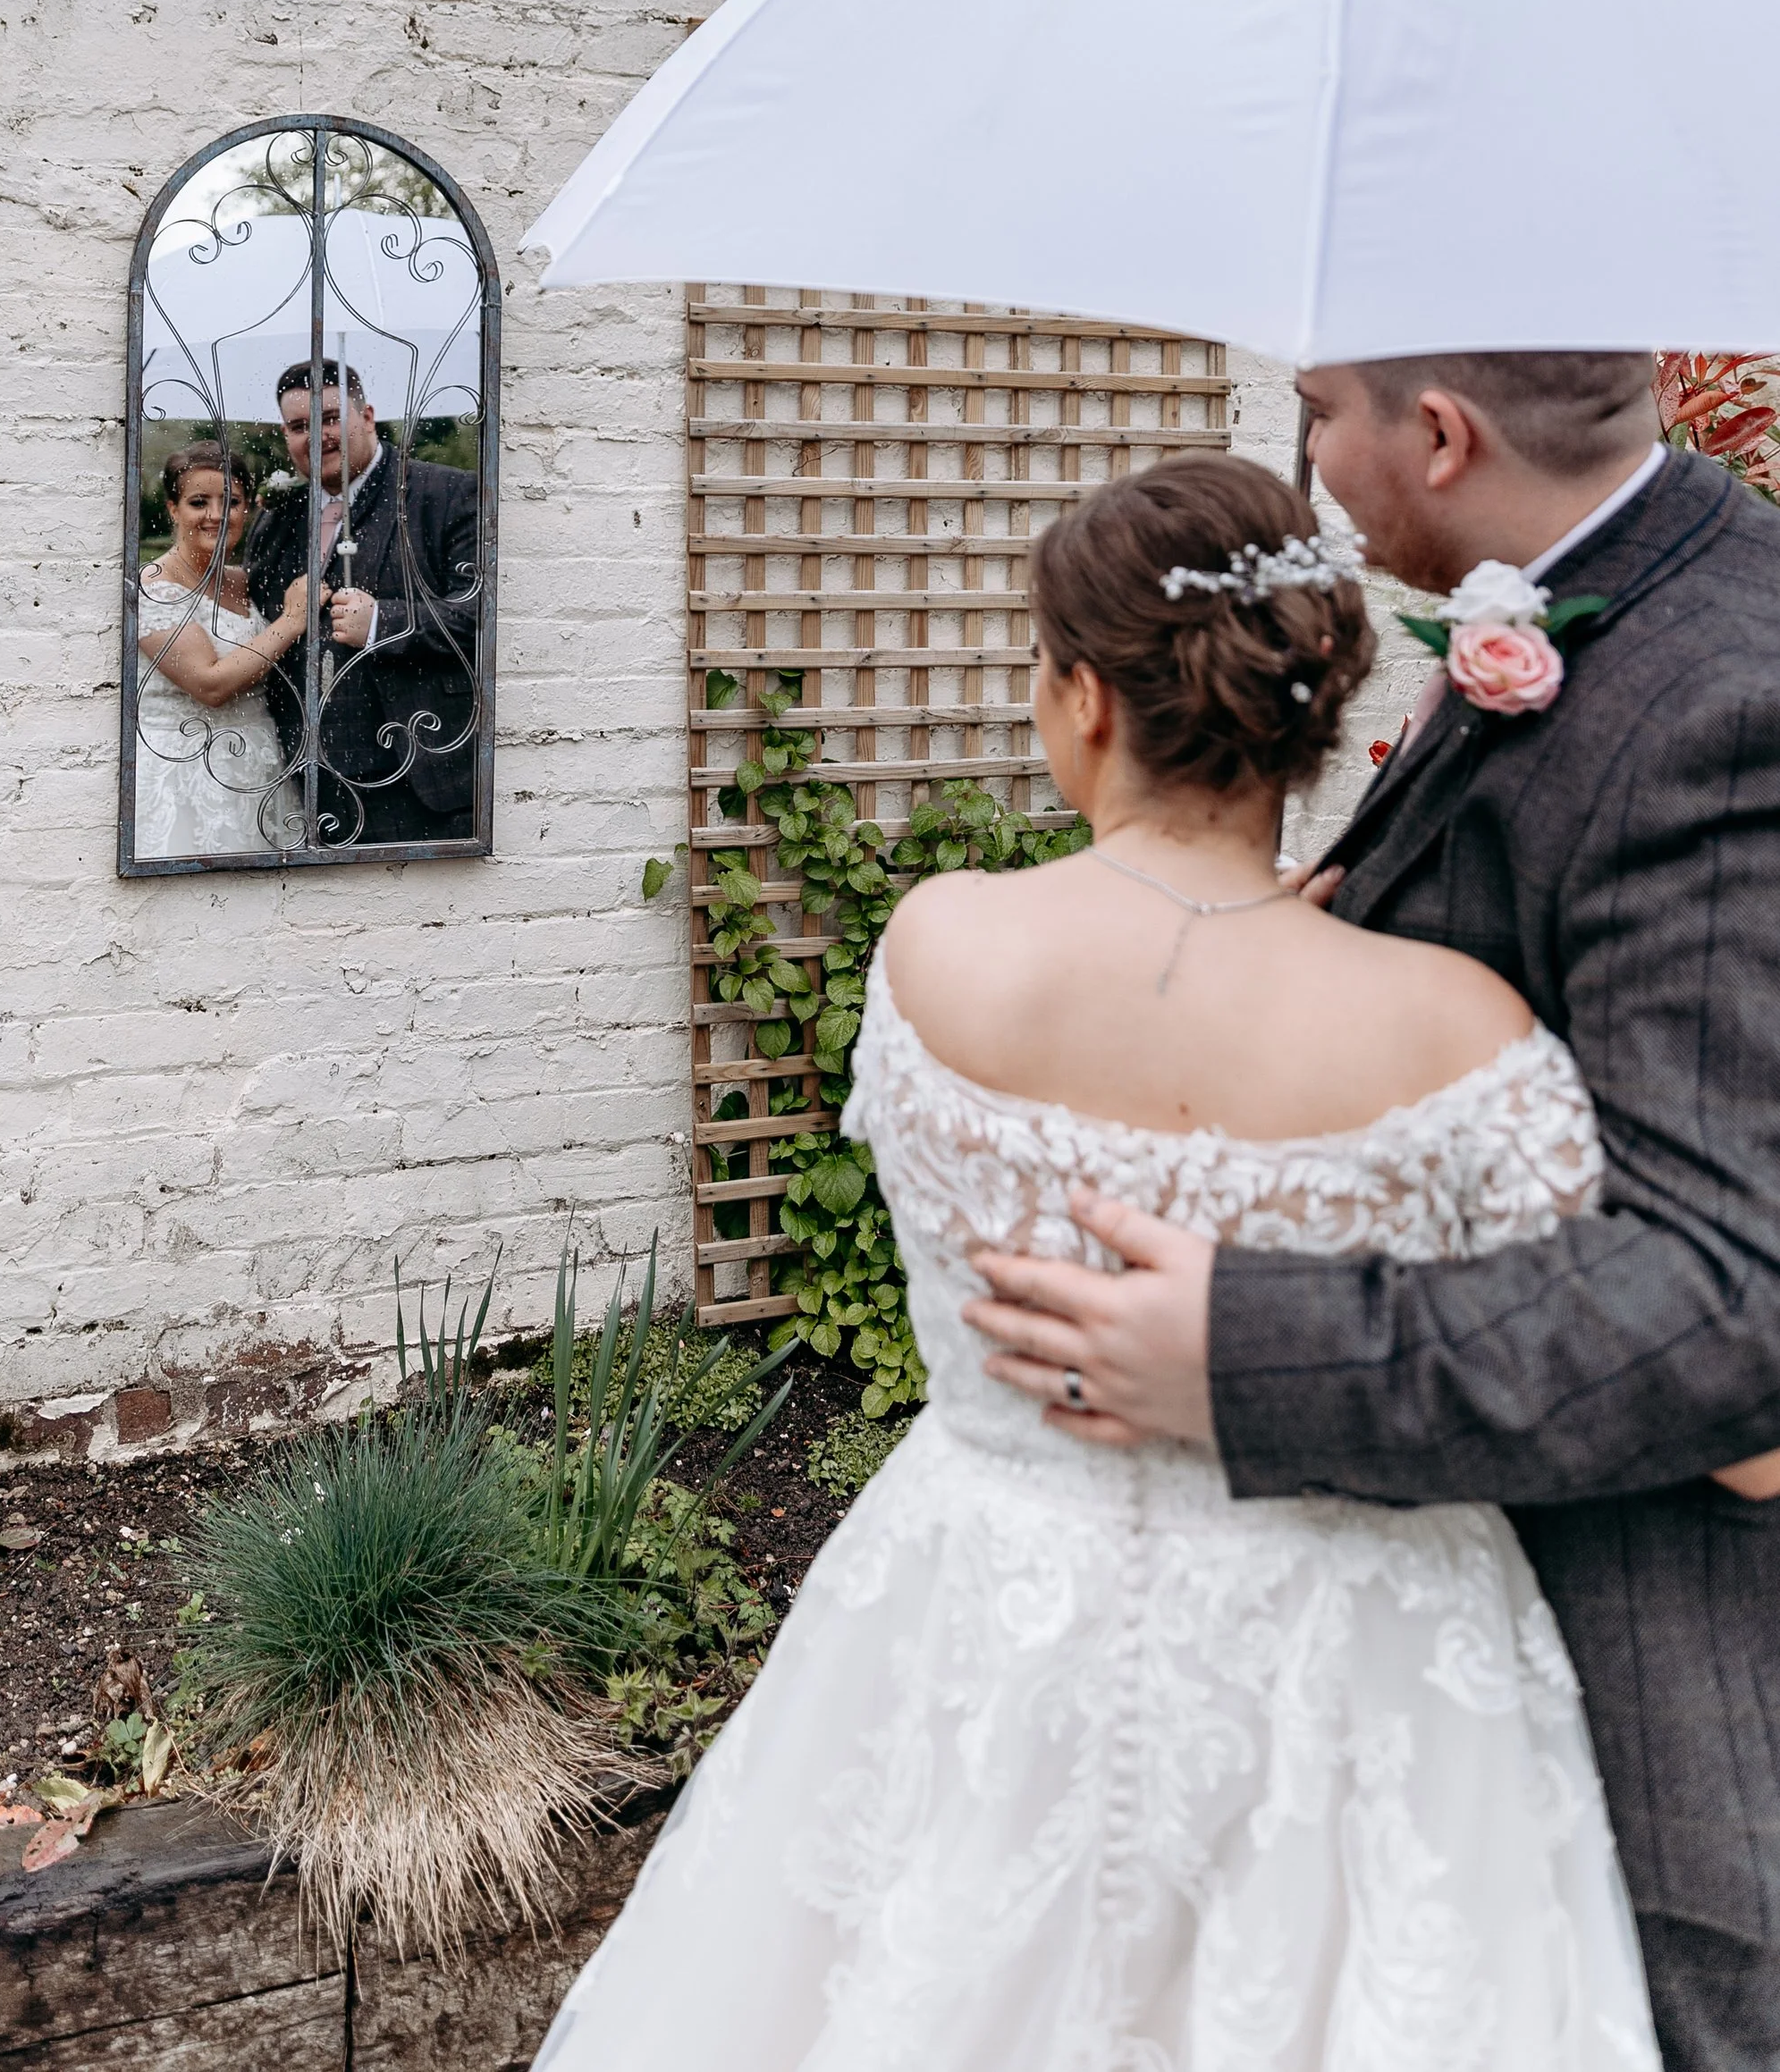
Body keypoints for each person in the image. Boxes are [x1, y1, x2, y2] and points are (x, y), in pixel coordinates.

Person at [538, 451, 1780, 2066]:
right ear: (1314, 708)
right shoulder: (1454, 1031)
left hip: (984, 1637)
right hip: (1359, 1680)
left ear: (1083, 703)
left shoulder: (939, 952)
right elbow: (1747, 1443)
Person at [969, 358, 1780, 2072]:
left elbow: (1735, 1307)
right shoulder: (1583, 617)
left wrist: (1243, 1350)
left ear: (1438, 434)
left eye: (1325, 410)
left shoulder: (1726, 694)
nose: (1312, 460)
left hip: (1661, 1679)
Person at [241, 356, 481, 847]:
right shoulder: (277, 520)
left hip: (418, 775)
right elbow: (256, 622)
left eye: (331, 419)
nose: (317, 436)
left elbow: (482, 614)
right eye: (299, 426)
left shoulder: (448, 493)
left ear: (367, 416)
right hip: (304, 783)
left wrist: (381, 623)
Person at [131, 446, 306, 857]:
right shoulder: (155, 586)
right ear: (173, 509)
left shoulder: (245, 582)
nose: (216, 514)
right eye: (198, 502)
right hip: (189, 774)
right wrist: (293, 619)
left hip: (260, 766)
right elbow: (210, 684)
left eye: (231, 501)